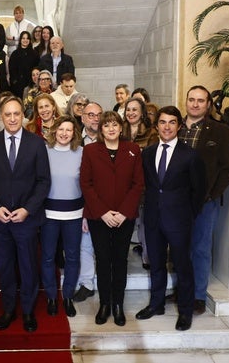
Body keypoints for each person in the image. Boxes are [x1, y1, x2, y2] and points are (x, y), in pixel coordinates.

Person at [0, 96, 51, 333]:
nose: (12, 118)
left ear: (23, 115)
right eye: (7, 114)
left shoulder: (36, 143)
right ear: (1, 116)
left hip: (26, 220)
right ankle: (9, 309)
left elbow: (43, 182)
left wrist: (27, 209)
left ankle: (28, 310)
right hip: (0, 220)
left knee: (29, 266)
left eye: (16, 114)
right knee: (6, 267)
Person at [136, 106, 206, 332]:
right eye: (163, 122)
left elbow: (199, 191)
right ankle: (156, 305)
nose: (167, 127)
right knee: (155, 264)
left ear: (179, 125)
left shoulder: (190, 155)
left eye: (172, 122)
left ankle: (185, 312)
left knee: (182, 266)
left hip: (179, 221)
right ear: (156, 126)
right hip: (153, 218)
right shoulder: (147, 153)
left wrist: (188, 215)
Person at [80, 111, 144, 327]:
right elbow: (86, 184)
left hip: (125, 217)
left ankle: (118, 305)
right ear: (101, 129)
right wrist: (103, 213)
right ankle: (104, 304)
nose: (110, 129)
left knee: (120, 261)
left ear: (120, 127)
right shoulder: (90, 151)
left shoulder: (133, 150)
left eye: (114, 125)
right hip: (100, 217)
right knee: (103, 260)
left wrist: (124, 212)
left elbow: (138, 184)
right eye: (106, 125)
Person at [178, 85, 229, 315]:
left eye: (200, 100)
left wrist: (212, 194)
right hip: (177, 201)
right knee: (180, 248)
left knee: (200, 248)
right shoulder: (175, 126)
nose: (195, 104)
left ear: (207, 104)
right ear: (186, 101)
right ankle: (183, 289)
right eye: (191, 99)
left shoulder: (220, 131)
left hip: (204, 201)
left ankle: (198, 295)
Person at [41, 115, 84, 318]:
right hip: (49, 213)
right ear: (54, 130)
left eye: (69, 130)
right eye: (61, 129)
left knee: (73, 257)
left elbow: (87, 184)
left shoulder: (82, 153)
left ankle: (67, 296)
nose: (65, 133)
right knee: (48, 257)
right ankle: (51, 296)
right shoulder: (44, 151)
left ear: (74, 132)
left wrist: (86, 215)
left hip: (75, 213)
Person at [121, 97, 159, 270]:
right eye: (128, 110)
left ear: (142, 112)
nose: (131, 113)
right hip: (122, 187)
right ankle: (122, 259)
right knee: (125, 225)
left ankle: (147, 258)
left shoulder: (151, 134)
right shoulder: (120, 132)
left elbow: (152, 162)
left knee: (145, 224)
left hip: (144, 185)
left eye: (135, 110)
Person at [72, 101, 103, 303]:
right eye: (90, 115)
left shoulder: (110, 138)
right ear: (82, 118)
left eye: (98, 114)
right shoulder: (73, 140)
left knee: (104, 245)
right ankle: (87, 283)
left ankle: (107, 282)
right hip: (81, 201)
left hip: (106, 201)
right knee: (84, 245)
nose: (95, 118)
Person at [9, 31, 39, 98]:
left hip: (31, 85)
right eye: (23, 38)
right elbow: (11, 69)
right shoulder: (15, 54)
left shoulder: (35, 54)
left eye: (27, 38)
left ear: (30, 40)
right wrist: (14, 82)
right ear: (20, 40)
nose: (25, 40)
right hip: (17, 86)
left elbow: (37, 68)